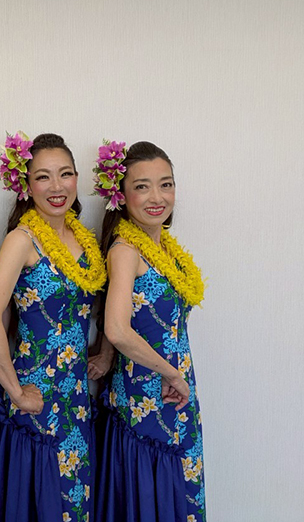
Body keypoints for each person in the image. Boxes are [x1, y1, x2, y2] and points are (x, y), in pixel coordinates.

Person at [0, 132, 111, 521]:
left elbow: (104, 304)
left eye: (65, 174)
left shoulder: (85, 241)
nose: (56, 187)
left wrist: (104, 353)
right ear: (26, 185)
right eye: (43, 177)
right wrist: (15, 391)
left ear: (77, 178)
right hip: (36, 397)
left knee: (73, 505)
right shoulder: (23, 240)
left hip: (76, 399)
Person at [93, 141, 206, 522]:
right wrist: (171, 373)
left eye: (166, 184)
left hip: (177, 390)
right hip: (145, 396)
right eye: (142, 186)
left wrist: (176, 376)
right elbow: (117, 327)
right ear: (121, 195)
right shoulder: (126, 251)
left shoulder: (168, 251)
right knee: (150, 496)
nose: (157, 197)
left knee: (179, 491)